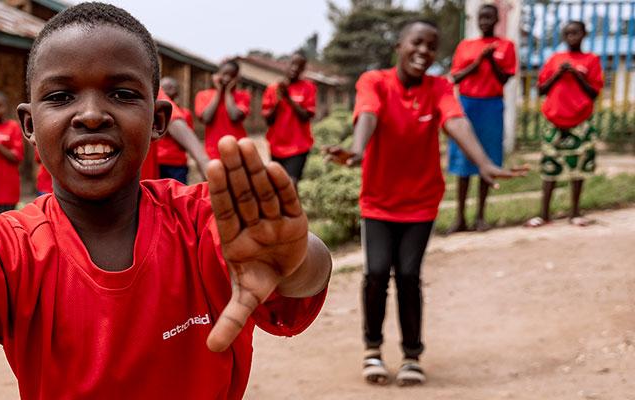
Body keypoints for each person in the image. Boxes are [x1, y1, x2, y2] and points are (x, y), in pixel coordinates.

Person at [0, 3, 332, 398]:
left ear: (159, 119)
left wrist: (297, 260)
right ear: (29, 125)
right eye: (60, 97)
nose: (91, 115)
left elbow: (302, 273)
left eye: (121, 93)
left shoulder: (204, 219)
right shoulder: (11, 245)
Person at [324, 20, 523, 387]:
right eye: (416, 43)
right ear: (399, 45)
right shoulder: (375, 81)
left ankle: (412, 355)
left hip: (420, 200)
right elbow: (367, 113)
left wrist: (484, 163)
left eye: (431, 46)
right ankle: (373, 350)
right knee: (377, 273)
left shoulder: (440, 86)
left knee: (410, 275)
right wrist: (356, 150)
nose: (423, 52)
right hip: (379, 200)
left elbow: (456, 121)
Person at [526, 21, 603, 228]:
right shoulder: (554, 60)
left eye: (576, 33)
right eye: (568, 34)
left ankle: (575, 212)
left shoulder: (591, 60)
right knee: (550, 167)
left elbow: (594, 93)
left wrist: (577, 75)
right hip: (554, 121)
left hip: (580, 122)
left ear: (584, 34)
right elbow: (541, 89)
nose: (572, 37)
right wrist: (559, 74)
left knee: (578, 168)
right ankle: (544, 213)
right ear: (563, 36)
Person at [448, 4, 517, 232]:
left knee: (487, 159)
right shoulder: (466, 46)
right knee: (463, 160)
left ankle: (480, 216)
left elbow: (504, 79)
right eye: (481, 17)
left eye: (489, 17)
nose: (485, 21)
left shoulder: (506, 46)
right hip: (467, 105)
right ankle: (460, 218)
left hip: (492, 105)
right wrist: (478, 62)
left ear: (497, 19)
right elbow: (456, 77)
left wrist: (492, 61)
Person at [262, 52, 317, 186]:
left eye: (299, 66)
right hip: (276, 146)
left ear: (303, 70)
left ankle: (294, 207)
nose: (295, 68)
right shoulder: (273, 89)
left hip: (298, 147)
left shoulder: (308, 87)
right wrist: (278, 101)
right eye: (292, 64)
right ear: (286, 65)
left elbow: (305, 117)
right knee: (277, 184)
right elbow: (268, 120)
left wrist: (288, 99)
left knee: (291, 184)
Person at [156, 76, 209, 184]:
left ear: (176, 92)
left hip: (177, 162)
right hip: (160, 161)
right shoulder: (157, 111)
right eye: (163, 87)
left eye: (170, 87)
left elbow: (187, 138)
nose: (165, 90)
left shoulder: (185, 114)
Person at [195, 59, 251, 160]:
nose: (227, 78)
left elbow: (234, 116)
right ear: (217, 74)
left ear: (237, 78)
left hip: (237, 150)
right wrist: (219, 91)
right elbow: (206, 119)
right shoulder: (203, 95)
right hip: (213, 151)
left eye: (232, 75)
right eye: (224, 74)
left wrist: (228, 92)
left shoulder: (243, 96)